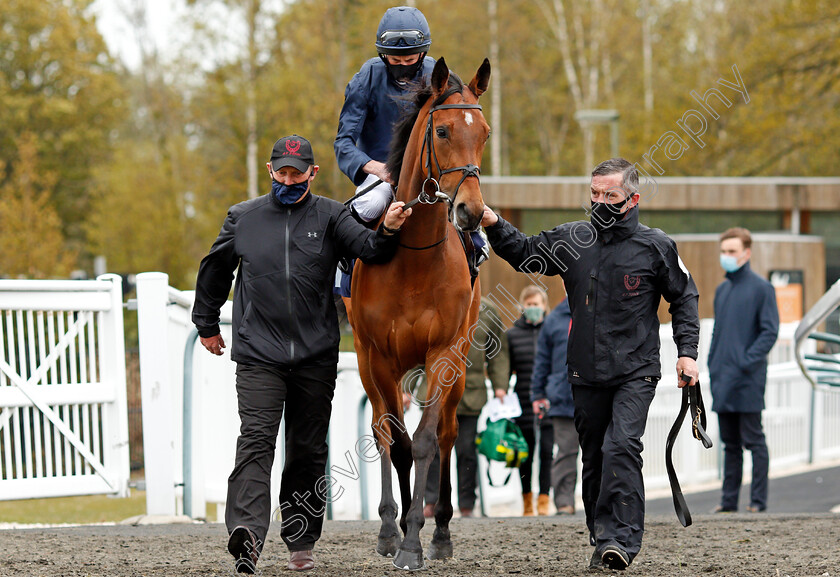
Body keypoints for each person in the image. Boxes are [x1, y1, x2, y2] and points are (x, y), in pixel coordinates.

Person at [192, 135, 411, 574]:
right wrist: (207, 324)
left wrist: (386, 228)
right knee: (255, 440)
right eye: (281, 171)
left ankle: (300, 537)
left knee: (307, 449)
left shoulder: (332, 216)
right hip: (258, 354)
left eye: (297, 172)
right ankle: (248, 538)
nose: (288, 179)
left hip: (315, 356)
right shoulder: (244, 217)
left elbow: (369, 252)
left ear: (313, 173)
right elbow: (215, 269)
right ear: (270, 171)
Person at [480, 158, 700, 571]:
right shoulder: (573, 239)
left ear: (632, 199)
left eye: (609, 195)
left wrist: (687, 352)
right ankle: (602, 537)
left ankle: (622, 539)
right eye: (594, 194)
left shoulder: (656, 246)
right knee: (595, 456)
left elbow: (684, 298)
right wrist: (492, 221)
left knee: (622, 447)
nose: (599, 202)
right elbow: (526, 254)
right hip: (584, 372)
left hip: (636, 370)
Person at [334, 5, 435, 225]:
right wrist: (378, 169)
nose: (403, 67)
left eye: (409, 61)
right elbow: (343, 143)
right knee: (371, 204)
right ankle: (346, 257)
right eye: (395, 61)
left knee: (471, 216)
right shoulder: (366, 78)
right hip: (381, 173)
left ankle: (476, 245)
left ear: (423, 53)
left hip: (428, 172)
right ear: (383, 55)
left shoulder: (437, 75)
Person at [708, 227, 779, 514]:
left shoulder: (762, 288)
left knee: (754, 440)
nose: (727, 256)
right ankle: (728, 503)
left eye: (732, 251)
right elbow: (718, 334)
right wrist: (713, 365)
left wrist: (745, 362)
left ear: (746, 253)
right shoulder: (722, 290)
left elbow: (769, 331)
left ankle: (758, 503)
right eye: (724, 251)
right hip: (723, 378)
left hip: (748, 379)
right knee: (730, 444)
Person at [419, 297, 510, 518]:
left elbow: (497, 352)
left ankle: (467, 503)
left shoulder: (488, 310)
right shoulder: (433, 305)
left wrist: (500, 385)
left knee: (467, 450)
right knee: (432, 447)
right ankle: (431, 501)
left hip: (471, 393)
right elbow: (418, 348)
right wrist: (406, 386)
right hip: (435, 390)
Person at [506, 286, 555, 516]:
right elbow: (505, 369)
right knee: (524, 453)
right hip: (522, 400)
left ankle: (544, 499)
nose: (533, 308)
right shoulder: (512, 335)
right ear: (522, 306)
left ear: (544, 306)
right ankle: (527, 501)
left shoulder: (553, 331)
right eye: (529, 304)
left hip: (549, 401)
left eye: (537, 304)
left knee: (547, 451)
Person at [530, 293, 577, 516]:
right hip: (563, 397)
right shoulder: (555, 320)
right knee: (566, 452)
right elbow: (542, 360)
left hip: (595, 395)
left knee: (601, 451)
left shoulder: (599, 309)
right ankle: (564, 502)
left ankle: (600, 502)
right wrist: (538, 394)